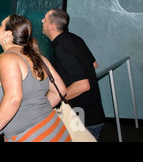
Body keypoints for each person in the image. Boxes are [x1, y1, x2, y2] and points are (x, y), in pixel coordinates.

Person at [0, 14, 71, 142]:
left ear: (8, 34)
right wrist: (36, 112)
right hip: (56, 130)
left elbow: (14, 98)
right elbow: (60, 91)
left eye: (1, 26)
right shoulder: (38, 57)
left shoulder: (6, 58)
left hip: (33, 137)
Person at [42, 8, 105, 139]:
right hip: (93, 112)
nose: (42, 21)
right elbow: (93, 64)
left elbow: (83, 85)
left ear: (52, 26)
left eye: (45, 19)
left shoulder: (62, 47)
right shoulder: (74, 38)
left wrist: (55, 98)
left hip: (81, 119)